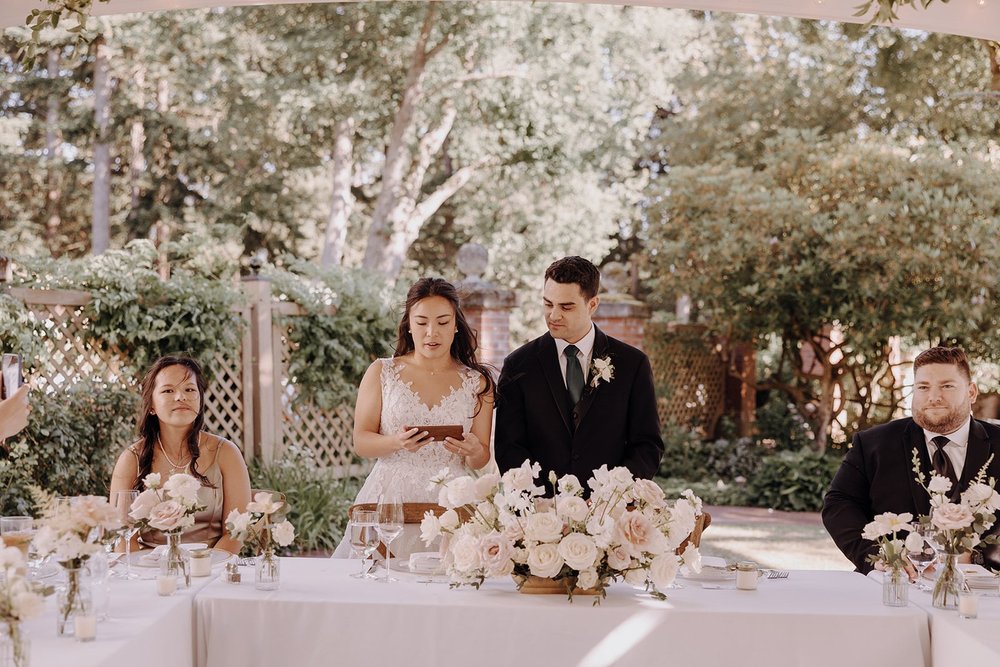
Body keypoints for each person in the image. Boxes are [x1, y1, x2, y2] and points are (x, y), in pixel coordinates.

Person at [333, 278, 496, 559]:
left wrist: (473, 450)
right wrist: (396, 442)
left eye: (443, 322)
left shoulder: (478, 383)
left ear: (456, 325)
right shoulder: (381, 372)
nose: (432, 332)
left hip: (451, 500)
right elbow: (361, 441)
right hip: (388, 497)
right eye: (421, 322)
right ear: (409, 323)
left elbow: (480, 457)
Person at [823, 346, 1000, 573]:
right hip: (895, 585)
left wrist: (978, 558)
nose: (934, 397)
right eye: (923, 387)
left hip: (986, 589)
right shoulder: (872, 444)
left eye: (947, 386)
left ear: (971, 392)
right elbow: (839, 503)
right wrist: (877, 556)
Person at [494, 256, 663, 491]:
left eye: (566, 307)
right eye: (548, 304)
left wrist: (612, 498)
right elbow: (508, 446)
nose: (553, 315)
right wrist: (541, 501)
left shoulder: (632, 364)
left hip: (608, 514)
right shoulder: (518, 364)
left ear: (592, 305)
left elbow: (647, 445)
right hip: (540, 516)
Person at [110, 355, 251, 554]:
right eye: (168, 390)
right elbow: (123, 536)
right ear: (151, 405)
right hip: (151, 572)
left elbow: (237, 531)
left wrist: (202, 569)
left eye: (189, 389)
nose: (180, 397)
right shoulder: (131, 458)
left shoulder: (227, 453)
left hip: (212, 570)